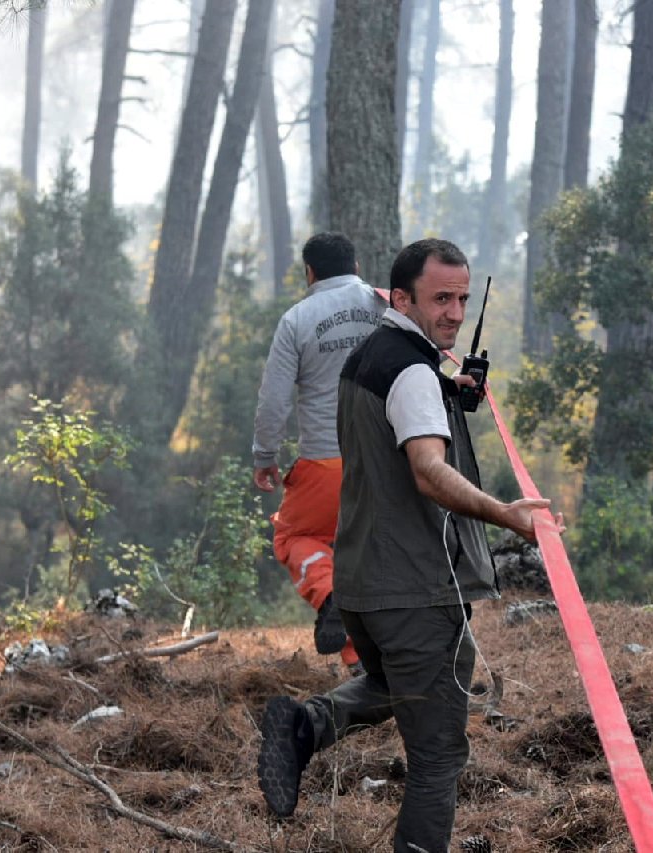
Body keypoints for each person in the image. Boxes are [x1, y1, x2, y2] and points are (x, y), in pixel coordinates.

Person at [257, 238, 560, 852]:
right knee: (438, 755)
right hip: (414, 588)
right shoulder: (414, 372)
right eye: (439, 298)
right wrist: (505, 513)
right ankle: (307, 731)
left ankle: (305, 726)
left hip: (363, 586)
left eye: (462, 299)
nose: (453, 312)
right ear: (398, 297)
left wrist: (454, 393)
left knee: (400, 682)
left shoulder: (370, 357)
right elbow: (426, 469)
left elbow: (398, 418)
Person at [252, 232, 386, 669]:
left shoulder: (297, 319)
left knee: (295, 537)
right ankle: (364, 666)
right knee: (368, 558)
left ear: (309, 272)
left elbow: (274, 399)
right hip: (392, 461)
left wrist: (264, 456)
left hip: (326, 462)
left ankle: (331, 599)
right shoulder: (386, 306)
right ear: (357, 266)